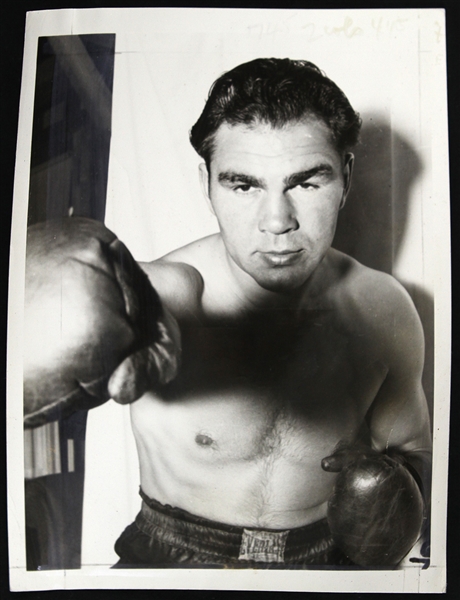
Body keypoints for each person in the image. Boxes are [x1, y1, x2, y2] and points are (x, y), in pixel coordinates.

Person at [24, 58, 432, 568]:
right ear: (207, 183)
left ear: (345, 178)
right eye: (244, 185)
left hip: (324, 563)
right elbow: (111, 304)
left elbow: (413, 452)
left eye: (306, 183)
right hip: (174, 561)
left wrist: (390, 491)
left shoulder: (384, 308)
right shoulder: (167, 292)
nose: (278, 222)